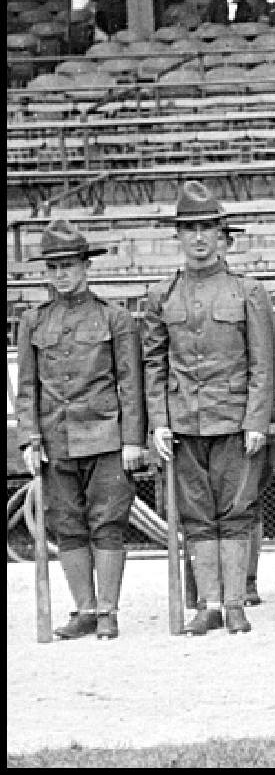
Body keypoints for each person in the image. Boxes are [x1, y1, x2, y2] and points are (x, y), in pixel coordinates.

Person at [142, 182, 275, 635]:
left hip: (235, 422)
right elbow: (154, 365)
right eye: (189, 229)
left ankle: (236, 602)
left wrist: (257, 421)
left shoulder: (247, 292)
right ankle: (211, 604)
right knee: (197, 515)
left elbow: (263, 363)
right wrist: (158, 422)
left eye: (207, 228)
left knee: (236, 512)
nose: (199, 238)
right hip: (184, 423)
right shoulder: (162, 295)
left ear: (222, 235)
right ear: (177, 237)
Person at [16, 220, 145, 640]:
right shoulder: (33, 322)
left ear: (86, 267)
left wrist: (131, 441)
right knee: (66, 524)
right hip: (56, 440)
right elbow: (28, 388)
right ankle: (84, 609)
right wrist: (28, 438)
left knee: (108, 522)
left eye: (69, 265)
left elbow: (130, 384)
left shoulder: (116, 318)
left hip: (107, 437)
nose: (61, 275)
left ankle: (108, 608)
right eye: (53, 267)